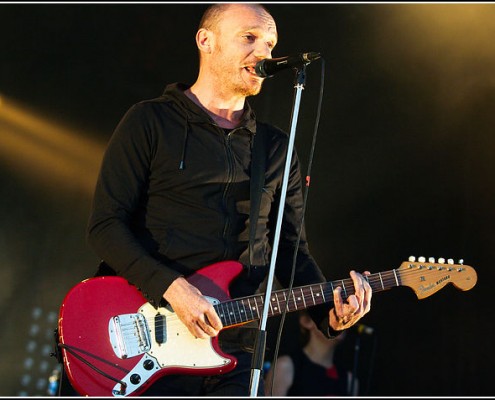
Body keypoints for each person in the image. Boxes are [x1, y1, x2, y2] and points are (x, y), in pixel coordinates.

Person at [86, 3, 372, 396]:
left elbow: (290, 251)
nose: (264, 54)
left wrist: (330, 314)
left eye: (270, 44)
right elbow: (105, 226)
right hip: (149, 331)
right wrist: (172, 288)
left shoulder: (275, 148)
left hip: (234, 350)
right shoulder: (150, 122)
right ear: (206, 40)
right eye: (249, 38)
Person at [265, 310, 357, 396]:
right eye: (333, 310)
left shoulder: (349, 380)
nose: (341, 315)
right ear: (306, 321)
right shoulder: (285, 366)